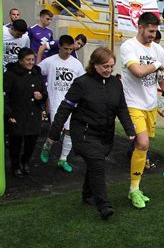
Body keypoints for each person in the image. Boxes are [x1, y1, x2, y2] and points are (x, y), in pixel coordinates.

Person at [45, 47, 135, 220]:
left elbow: (122, 108)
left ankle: (87, 195)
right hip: (84, 134)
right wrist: (53, 134)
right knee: (97, 165)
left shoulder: (116, 83)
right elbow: (65, 109)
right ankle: (104, 205)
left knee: (95, 164)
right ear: (94, 65)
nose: (109, 70)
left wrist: (129, 129)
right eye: (105, 66)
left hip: (105, 135)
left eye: (111, 66)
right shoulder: (82, 83)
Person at [120, 12, 164, 209]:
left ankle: (136, 187)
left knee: (144, 147)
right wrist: (157, 64)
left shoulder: (158, 49)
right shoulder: (128, 46)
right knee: (142, 144)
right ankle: (133, 190)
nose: (152, 34)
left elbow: (161, 76)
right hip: (133, 103)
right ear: (140, 27)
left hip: (151, 104)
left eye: (155, 31)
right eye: (150, 31)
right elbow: (138, 71)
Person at [38, 35, 85, 173]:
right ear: (60, 46)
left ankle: (63, 159)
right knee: (55, 131)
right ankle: (47, 145)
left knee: (70, 131)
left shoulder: (76, 64)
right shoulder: (50, 61)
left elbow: (82, 82)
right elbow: (37, 71)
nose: (68, 52)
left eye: (71, 49)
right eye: (66, 49)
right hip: (55, 103)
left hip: (70, 103)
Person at [4, 47, 48, 178]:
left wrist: (41, 96)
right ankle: (15, 166)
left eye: (32, 59)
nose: (31, 62)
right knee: (15, 144)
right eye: (27, 60)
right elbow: (4, 96)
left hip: (33, 114)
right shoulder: (10, 75)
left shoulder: (36, 73)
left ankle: (25, 161)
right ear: (20, 61)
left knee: (32, 142)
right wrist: (8, 114)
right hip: (16, 114)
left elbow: (44, 92)